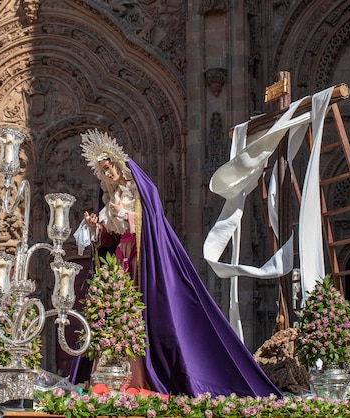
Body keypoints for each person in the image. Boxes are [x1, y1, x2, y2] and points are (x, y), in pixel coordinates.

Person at [71, 129, 281, 397]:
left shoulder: (139, 191)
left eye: (109, 166)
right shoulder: (109, 198)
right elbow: (110, 240)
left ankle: (139, 378)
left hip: (141, 260)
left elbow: (152, 220)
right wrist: (96, 230)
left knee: (135, 315)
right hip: (120, 263)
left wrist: (128, 216)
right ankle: (109, 376)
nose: (107, 173)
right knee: (116, 313)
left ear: (118, 162)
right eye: (102, 170)